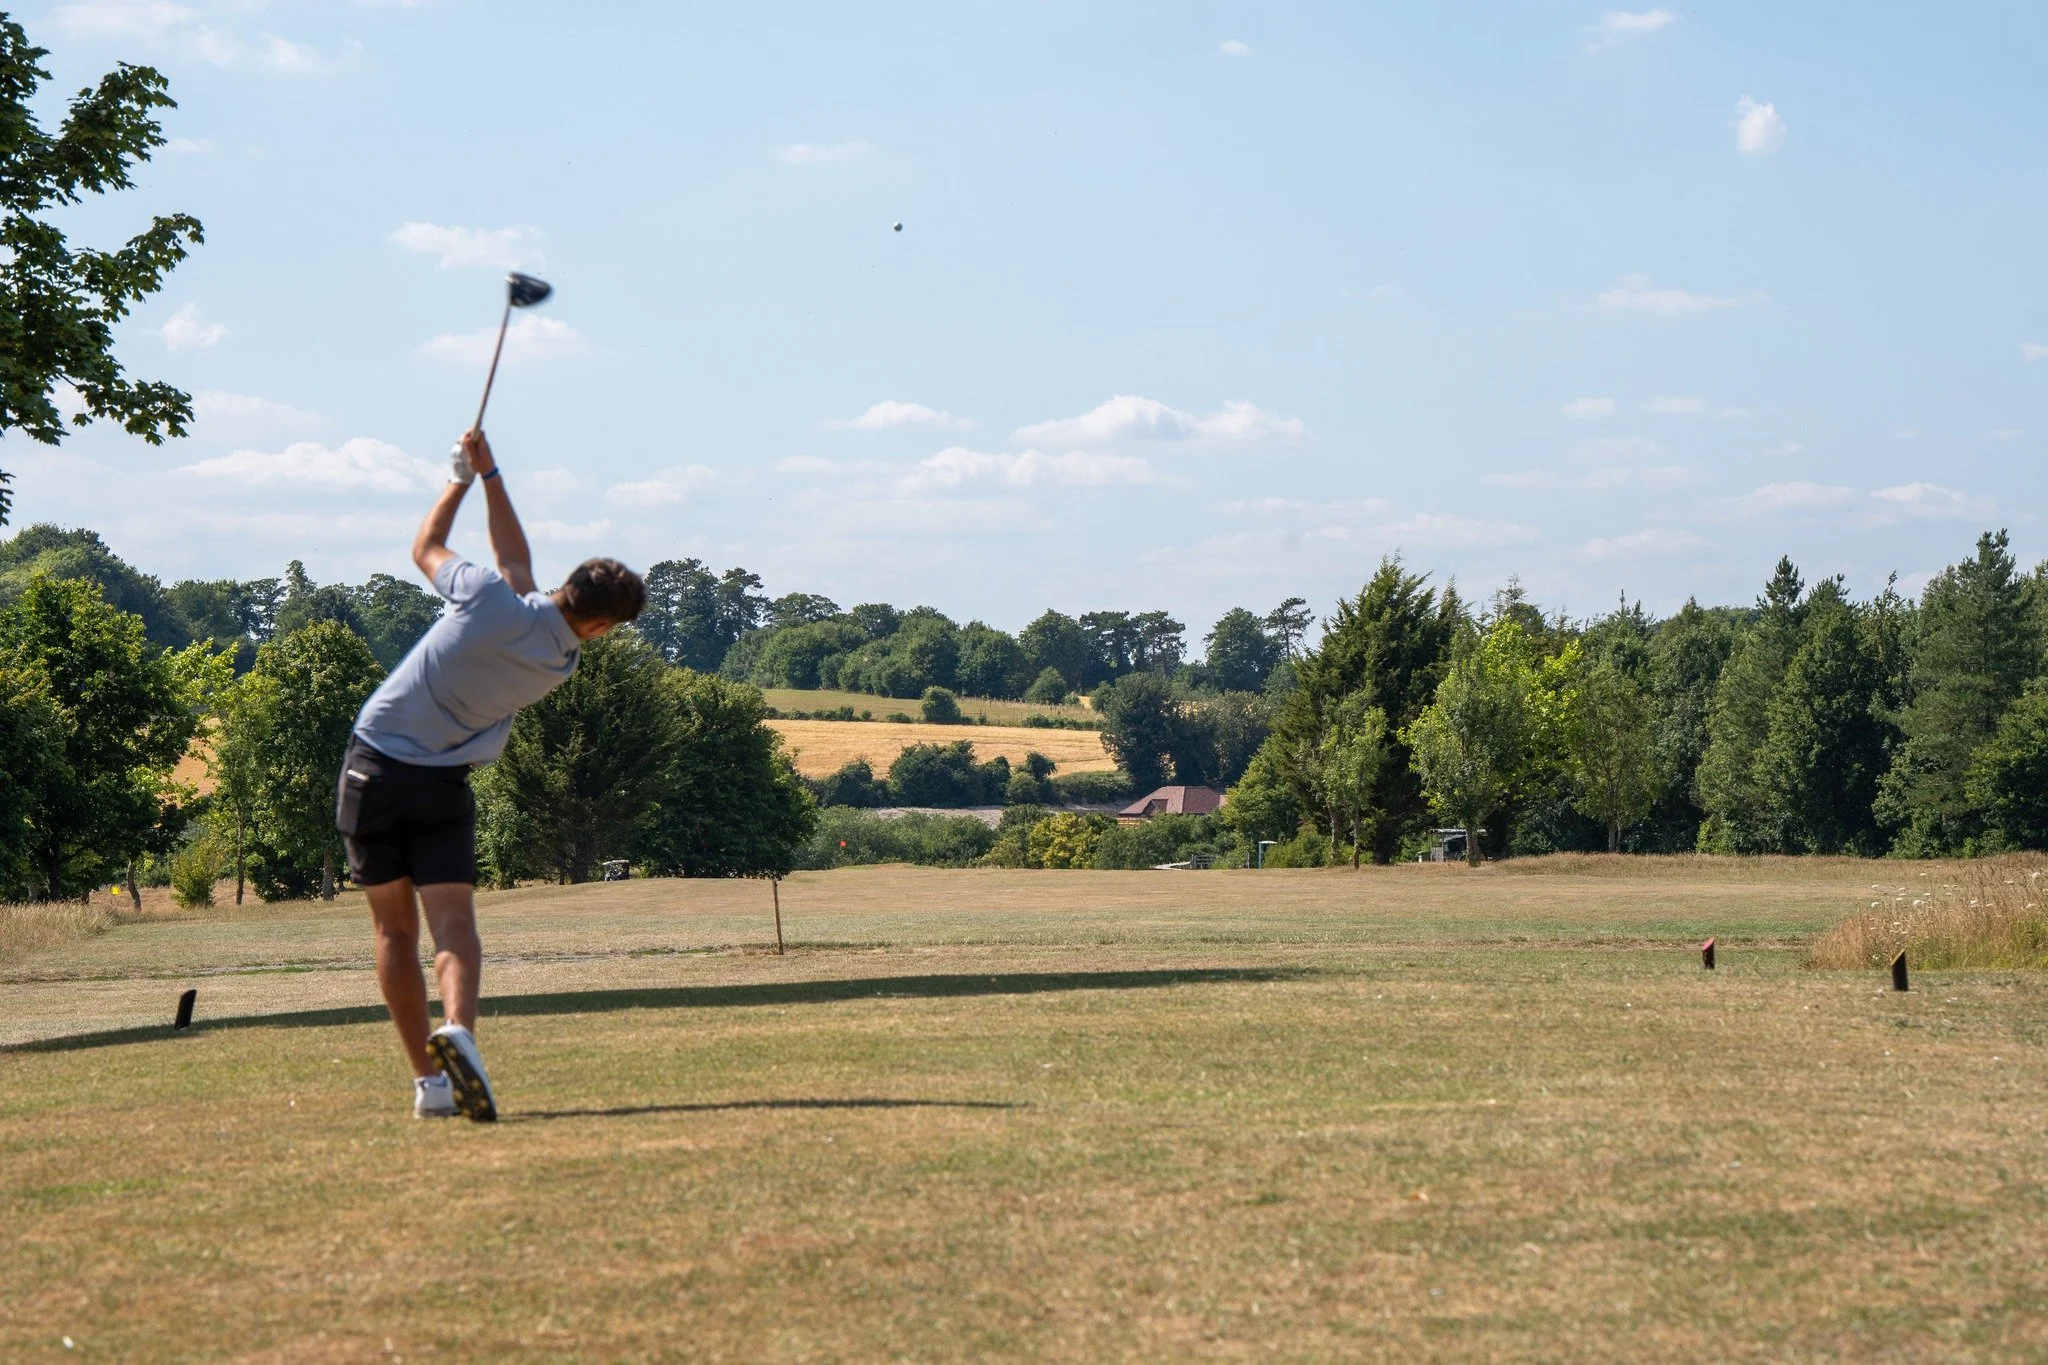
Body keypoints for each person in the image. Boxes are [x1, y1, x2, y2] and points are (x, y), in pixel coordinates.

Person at [335, 429, 645, 1120]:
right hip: (443, 784)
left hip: (375, 768)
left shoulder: (480, 596)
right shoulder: (558, 662)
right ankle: (461, 1032)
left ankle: (429, 1082)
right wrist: (493, 470)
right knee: (453, 927)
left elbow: (425, 548)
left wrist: (460, 479)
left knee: (393, 934)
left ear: (569, 585)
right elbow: (516, 561)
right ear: (597, 626)